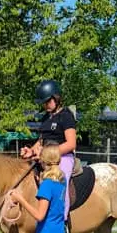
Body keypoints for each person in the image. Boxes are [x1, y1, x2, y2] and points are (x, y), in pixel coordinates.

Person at [20, 80, 76, 221]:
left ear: (56, 98)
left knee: (61, 180)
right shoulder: (46, 117)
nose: (45, 105)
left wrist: (46, 154)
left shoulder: (66, 116)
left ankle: (61, 220)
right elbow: (41, 141)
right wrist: (31, 151)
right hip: (45, 158)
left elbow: (71, 143)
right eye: (43, 103)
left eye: (47, 101)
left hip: (63, 158)